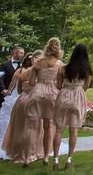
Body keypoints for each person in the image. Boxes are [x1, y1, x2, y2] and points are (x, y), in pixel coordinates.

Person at [25, 37, 64, 166]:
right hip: (52, 94)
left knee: (31, 127)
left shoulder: (39, 62)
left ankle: (27, 158)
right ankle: (46, 156)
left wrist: (39, 82)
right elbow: (60, 85)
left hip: (37, 92)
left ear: (46, 48)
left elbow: (31, 82)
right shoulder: (60, 64)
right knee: (48, 126)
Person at [52, 43, 92, 170]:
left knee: (59, 130)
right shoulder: (87, 70)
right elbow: (86, 87)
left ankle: (56, 160)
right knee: (73, 130)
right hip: (77, 96)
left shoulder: (63, 69)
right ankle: (69, 160)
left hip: (64, 95)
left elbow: (58, 86)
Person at [2, 51, 44, 164]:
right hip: (34, 101)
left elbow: (19, 90)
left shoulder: (22, 73)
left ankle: (19, 152)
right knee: (34, 129)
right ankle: (30, 153)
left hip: (22, 100)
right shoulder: (41, 73)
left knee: (19, 128)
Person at [0, 52, 24, 158]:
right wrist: (4, 89)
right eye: (20, 52)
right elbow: (0, 77)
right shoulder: (5, 64)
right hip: (9, 91)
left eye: (23, 53)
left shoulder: (23, 66)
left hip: (20, 93)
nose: (21, 54)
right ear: (15, 52)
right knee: (5, 115)